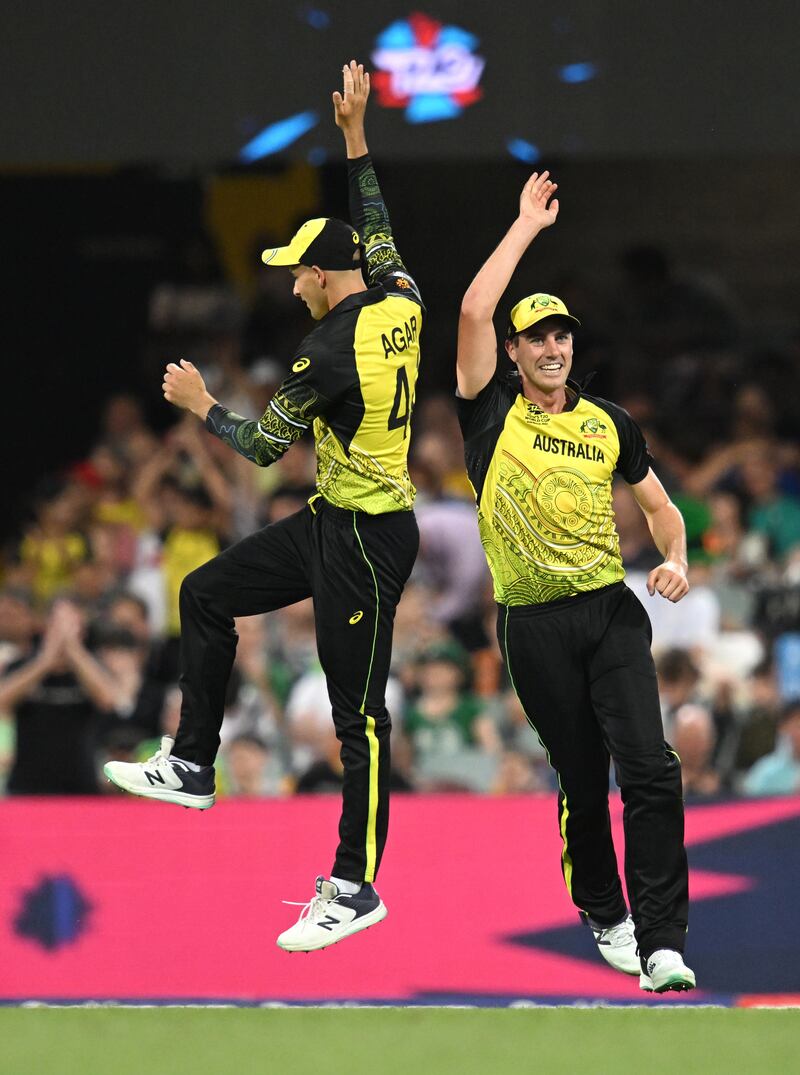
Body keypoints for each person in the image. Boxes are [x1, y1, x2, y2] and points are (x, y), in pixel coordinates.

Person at [104, 61, 422, 953]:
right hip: (338, 519)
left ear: (326, 275)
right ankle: (194, 762)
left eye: (297, 272)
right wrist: (356, 136)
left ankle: (355, 887)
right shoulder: (403, 300)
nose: (290, 284)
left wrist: (201, 402)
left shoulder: (325, 352)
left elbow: (259, 448)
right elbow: (380, 229)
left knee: (357, 715)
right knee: (206, 593)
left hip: (363, 539)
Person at [455, 170, 695, 994]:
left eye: (562, 337)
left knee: (652, 768)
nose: (553, 347)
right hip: (531, 623)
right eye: (538, 338)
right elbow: (472, 312)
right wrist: (525, 226)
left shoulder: (608, 423)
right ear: (515, 353)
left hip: (608, 611)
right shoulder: (489, 416)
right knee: (583, 781)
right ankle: (604, 909)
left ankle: (664, 941)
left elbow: (663, 511)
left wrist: (676, 556)